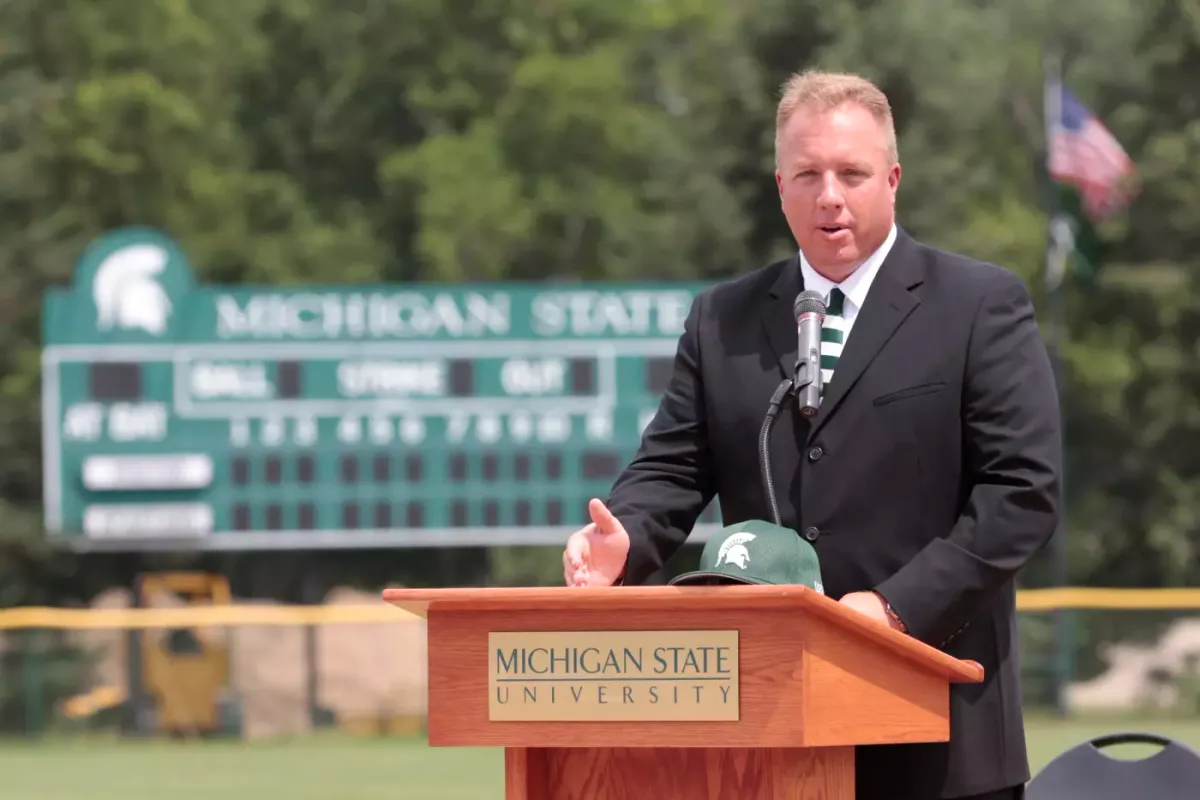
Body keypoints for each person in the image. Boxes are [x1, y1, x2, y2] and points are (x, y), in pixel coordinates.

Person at [561, 69, 1062, 800]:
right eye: (808, 174)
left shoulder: (978, 306)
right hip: (766, 734)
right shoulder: (722, 319)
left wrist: (892, 609)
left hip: (940, 731)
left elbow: (1023, 494)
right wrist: (625, 541)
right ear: (780, 186)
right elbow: (671, 469)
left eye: (852, 173)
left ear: (892, 179)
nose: (830, 194)